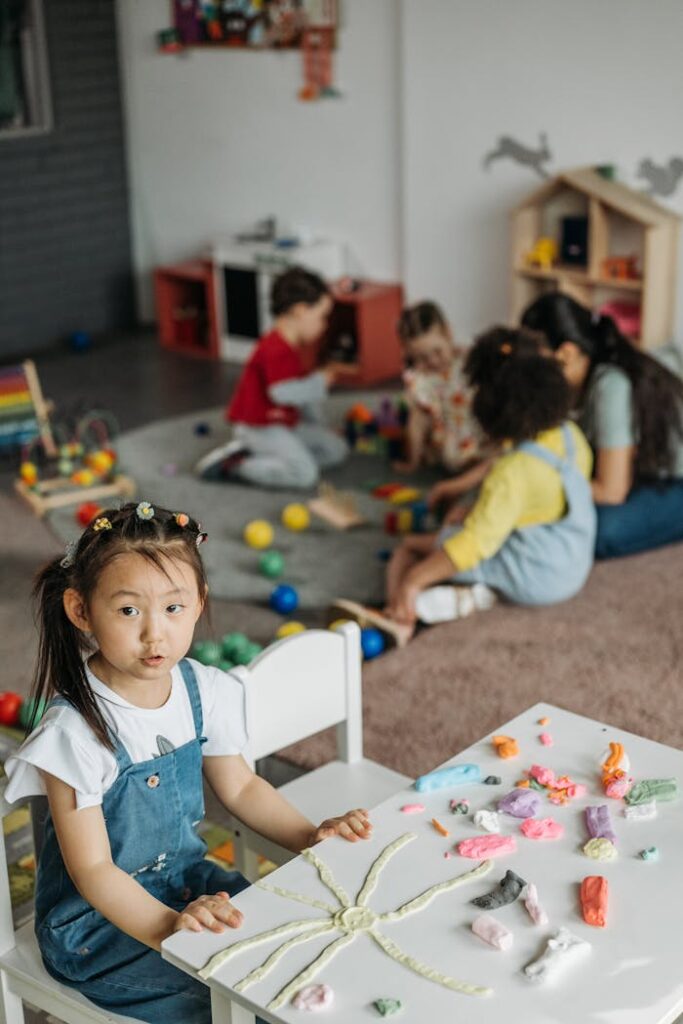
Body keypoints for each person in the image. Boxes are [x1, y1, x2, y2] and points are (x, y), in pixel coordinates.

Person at [4, 502, 371, 1023]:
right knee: (239, 999)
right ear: (81, 610)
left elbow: (241, 788)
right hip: (99, 930)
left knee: (306, 941)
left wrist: (312, 836)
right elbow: (92, 870)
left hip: (187, 884)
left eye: (173, 609)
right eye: (129, 611)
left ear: (198, 603)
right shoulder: (74, 734)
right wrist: (170, 929)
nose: (155, 635)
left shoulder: (204, 689)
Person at [334, 327, 595, 644]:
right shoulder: (571, 437)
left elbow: (474, 544)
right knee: (464, 515)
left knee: (410, 549)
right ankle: (472, 595)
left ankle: (398, 616)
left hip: (535, 575)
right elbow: (534, 495)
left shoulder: (512, 474)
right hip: (572, 563)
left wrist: (413, 581)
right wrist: (470, 502)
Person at [521, 293, 683, 559]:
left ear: (567, 353)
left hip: (675, 480)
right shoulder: (576, 380)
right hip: (643, 470)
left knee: (597, 530)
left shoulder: (610, 385)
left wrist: (539, 481)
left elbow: (611, 490)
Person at [195, 266, 350, 489]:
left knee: (336, 448)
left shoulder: (293, 347)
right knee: (305, 474)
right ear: (300, 311)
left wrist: (320, 427)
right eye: (322, 317)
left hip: (284, 422)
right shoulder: (275, 348)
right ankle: (237, 463)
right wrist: (318, 383)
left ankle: (280, 459)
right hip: (259, 426)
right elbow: (282, 393)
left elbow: (302, 398)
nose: (324, 325)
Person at [393, 301, 486, 474]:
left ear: (448, 334)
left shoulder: (467, 361)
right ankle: (418, 459)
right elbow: (417, 419)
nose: (433, 362)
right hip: (448, 437)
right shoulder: (423, 379)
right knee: (417, 415)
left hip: (478, 429)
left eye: (438, 352)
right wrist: (413, 459)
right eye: (422, 358)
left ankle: (478, 464)